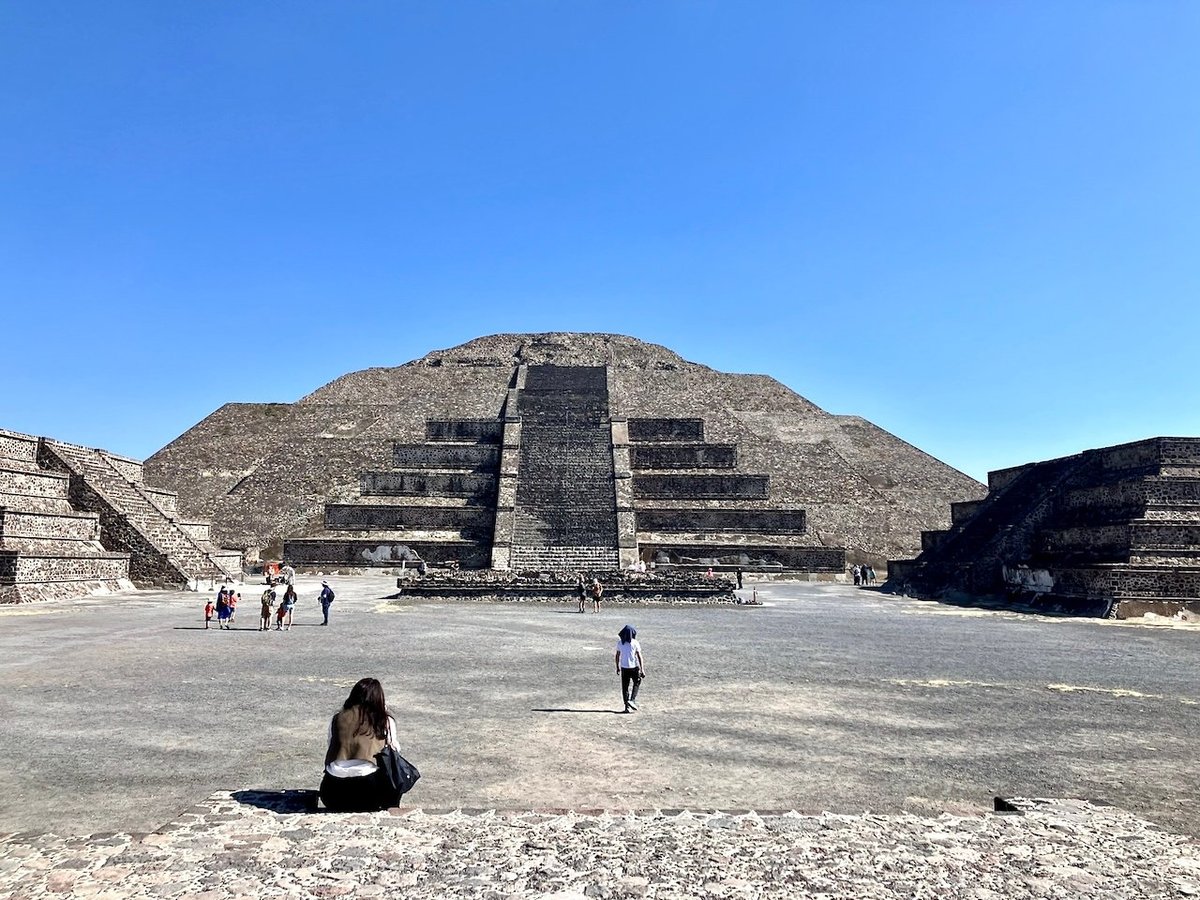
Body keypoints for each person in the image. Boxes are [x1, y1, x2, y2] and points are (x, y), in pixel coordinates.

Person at [320, 677, 405, 812]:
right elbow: (395, 750)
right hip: (369, 793)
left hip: (332, 793)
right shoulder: (384, 720)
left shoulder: (337, 718)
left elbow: (331, 745)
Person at [615, 624, 645, 713]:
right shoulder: (635, 643)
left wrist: (617, 667)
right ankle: (632, 700)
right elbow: (639, 656)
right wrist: (642, 669)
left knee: (625, 687)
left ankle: (626, 707)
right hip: (634, 667)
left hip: (624, 667)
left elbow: (617, 656)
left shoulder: (620, 643)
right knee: (637, 682)